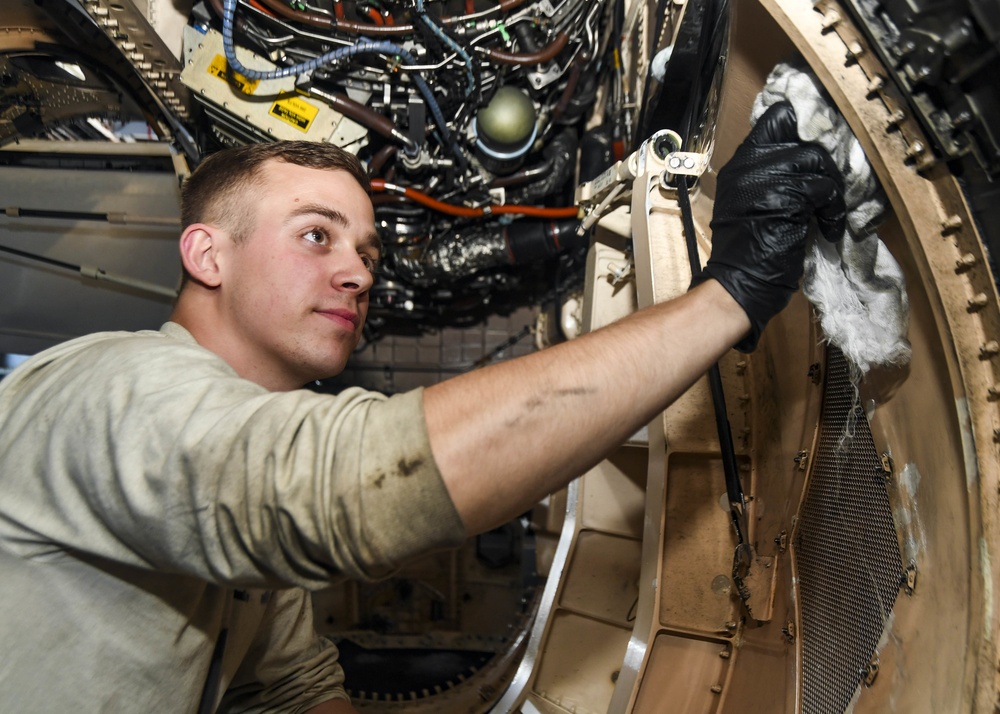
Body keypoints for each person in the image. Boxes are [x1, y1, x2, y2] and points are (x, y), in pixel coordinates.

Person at [0, 102, 844, 712]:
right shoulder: (107, 387)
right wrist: (724, 297)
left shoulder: (233, 499)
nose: (360, 273)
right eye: (316, 235)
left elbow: (290, 688)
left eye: (366, 251)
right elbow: (353, 486)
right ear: (207, 254)